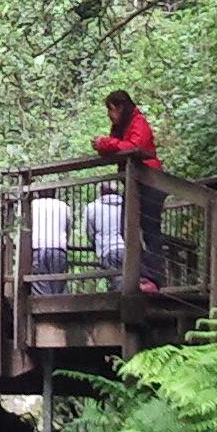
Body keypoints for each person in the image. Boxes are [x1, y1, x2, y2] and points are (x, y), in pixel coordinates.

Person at [91, 89, 165, 291]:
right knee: (127, 228)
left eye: (111, 111)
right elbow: (121, 146)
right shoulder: (125, 126)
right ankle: (144, 275)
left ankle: (155, 279)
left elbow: (134, 146)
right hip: (135, 184)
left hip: (150, 181)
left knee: (150, 231)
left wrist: (105, 143)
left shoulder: (138, 122)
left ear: (120, 107)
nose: (110, 116)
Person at [82, 182, 129, 287]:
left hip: (108, 250)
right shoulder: (127, 205)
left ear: (100, 192)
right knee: (130, 283)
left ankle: (123, 302)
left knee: (118, 284)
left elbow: (89, 232)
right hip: (129, 249)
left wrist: (96, 244)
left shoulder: (92, 207)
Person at [30, 194, 71, 295]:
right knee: (58, 285)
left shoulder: (32, 205)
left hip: (38, 248)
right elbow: (68, 228)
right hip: (58, 248)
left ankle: (42, 307)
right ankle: (58, 307)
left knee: (40, 283)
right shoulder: (64, 206)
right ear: (55, 191)